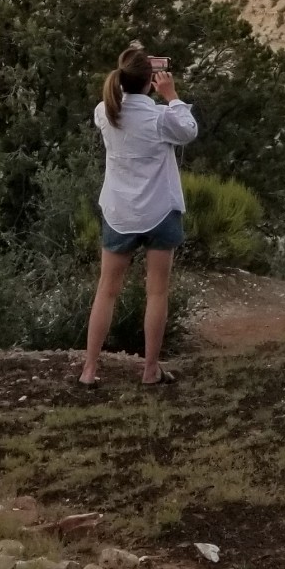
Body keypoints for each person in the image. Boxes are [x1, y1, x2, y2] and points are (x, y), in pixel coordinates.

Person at [79, 41, 198, 386]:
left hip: (119, 212)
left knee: (106, 290)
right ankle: (149, 369)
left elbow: (118, 99)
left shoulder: (105, 113)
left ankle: (89, 369)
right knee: (156, 292)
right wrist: (171, 95)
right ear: (151, 81)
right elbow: (189, 130)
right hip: (160, 210)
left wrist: (132, 61)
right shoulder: (161, 119)